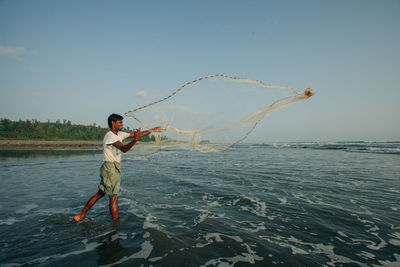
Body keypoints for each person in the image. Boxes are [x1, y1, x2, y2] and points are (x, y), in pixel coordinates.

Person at [74, 113, 161, 222]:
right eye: (119, 122)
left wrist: (152, 130)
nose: (121, 124)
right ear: (113, 123)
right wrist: (135, 140)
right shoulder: (110, 136)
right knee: (113, 197)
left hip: (113, 167)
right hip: (110, 168)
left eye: (122, 122)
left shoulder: (119, 134)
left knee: (101, 193)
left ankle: (81, 215)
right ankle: (116, 224)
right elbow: (123, 148)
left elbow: (134, 135)